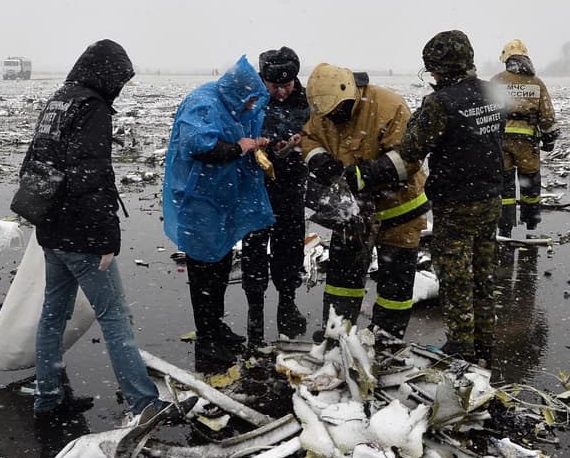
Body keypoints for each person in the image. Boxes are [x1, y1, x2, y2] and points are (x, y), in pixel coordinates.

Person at [24, 39, 164, 420]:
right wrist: (106, 237)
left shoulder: (59, 100)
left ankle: (48, 397)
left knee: (53, 314)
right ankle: (143, 403)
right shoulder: (92, 108)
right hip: (81, 233)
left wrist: (49, 218)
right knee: (115, 315)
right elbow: (92, 177)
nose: (119, 87)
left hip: (53, 229)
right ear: (105, 74)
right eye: (119, 79)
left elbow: (34, 163)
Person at [357, 30, 503, 361]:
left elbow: (412, 148)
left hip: (457, 202)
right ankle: (485, 342)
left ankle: (461, 347)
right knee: (482, 272)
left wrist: (369, 174)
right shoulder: (492, 92)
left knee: (454, 276)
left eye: (432, 68)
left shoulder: (441, 103)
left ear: (441, 67)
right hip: (491, 197)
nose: (432, 75)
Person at [163, 56, 275, 373]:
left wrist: (253, 144)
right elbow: (199, 146)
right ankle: (207, 339)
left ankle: (215, 327)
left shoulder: (230, 102)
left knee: (220, 264)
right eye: (250, 99)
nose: (252, 106)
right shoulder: (204, 103)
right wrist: (239, 147)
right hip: (198, 200)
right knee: (204, 272)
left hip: (218, 198)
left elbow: (237, 135)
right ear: (238, 90)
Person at [302, 64, 428, 340]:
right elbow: (309, 139)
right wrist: (320, 161)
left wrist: (364, 175)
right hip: (351, 213)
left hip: (399, 209)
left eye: (337, 111)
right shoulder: (324, 111)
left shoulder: (389, 106)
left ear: (350, 93)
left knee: (395, 282)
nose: (333, 118)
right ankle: (337, 334)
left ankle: (386, 338)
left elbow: (408, 157)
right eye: (327, 114)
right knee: (342, 278)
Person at [240, 47, 311, 346]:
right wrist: (262, 145)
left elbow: (317, 134)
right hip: (255, 187)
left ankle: (287, 301)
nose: (281, 92)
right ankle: (255, 310)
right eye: (274, 86)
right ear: (263, 80)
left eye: (287, 85)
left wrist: (299, 141)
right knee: (254, 246)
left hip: (291, 186)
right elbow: (236, 134)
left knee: (290, 246)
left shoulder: (307, 102)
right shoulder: (249, 99)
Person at [489, 39, 557, 233]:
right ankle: (531, 221)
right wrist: (549, 137)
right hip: (527, 143)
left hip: (501, 141)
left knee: (505, 185)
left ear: (506, 59)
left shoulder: (496, 81)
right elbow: (547, 114)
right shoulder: (536, 83)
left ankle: (505, 226)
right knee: (530, 183)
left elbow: (486, 110)